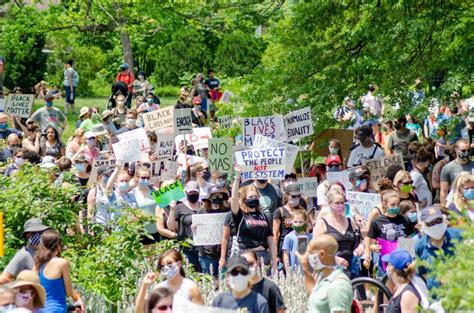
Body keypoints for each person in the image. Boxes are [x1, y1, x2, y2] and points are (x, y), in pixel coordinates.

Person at [231, 166, 277, 272]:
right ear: (244, 199)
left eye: (256, 197)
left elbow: (270, 240)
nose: (254, 199)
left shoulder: (263, 216)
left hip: (263, 256)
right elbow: (234, 198)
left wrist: (274, 261)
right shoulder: (240, 215)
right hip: (247, 256)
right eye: (251, 197)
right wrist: (237, 177)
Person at [296, 234, 353, 313]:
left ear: (322, 254)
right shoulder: (323, 277)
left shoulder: (338, 284)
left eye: (311, 253)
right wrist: (305, 268)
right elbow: (313, 294)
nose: (308, 256)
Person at [33, 230, 84, 312]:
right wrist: (78, 298)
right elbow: (69, 292)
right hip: (56, 309)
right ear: (58, 247)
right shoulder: (62, 263)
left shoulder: (37, 263)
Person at [364, 190, 415, 273]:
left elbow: (410, 240)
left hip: (403, 261)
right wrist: (375, 248)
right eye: (392, 205)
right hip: (385, 261)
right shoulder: (377, 222)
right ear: (384, 204)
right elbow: (371, 243)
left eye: (398, 204)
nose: (395, 207)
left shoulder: (405, 219)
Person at [314, 190, 363, 272]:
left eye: (342, 202)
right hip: (331, 268)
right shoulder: (322, 223)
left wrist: (361, 246)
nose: (340, 205)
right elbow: (315, 248)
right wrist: (334, 258)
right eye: (337, 203)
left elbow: (361, 238)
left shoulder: (350, 221)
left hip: (351, 267)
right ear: (329, 203)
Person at [415, 206, 462, 291]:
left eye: (438, 221)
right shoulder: (419, 246)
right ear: (423, 226)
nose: (436, 225)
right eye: (431, 223)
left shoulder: (459, 235)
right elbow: (421, 272)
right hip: (436, 298)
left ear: (444, 220)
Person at [0, 218, 49, 285]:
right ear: (27, 235)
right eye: (35, 233)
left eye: (41, 232)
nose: (39, 236)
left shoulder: (48, 251)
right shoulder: (24, 254)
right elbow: (3, 278)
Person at [167, 181, 202, 272]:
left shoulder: (204, 206)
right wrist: (172, 210)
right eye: (190, 192)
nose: (193, 194)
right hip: (187, 248)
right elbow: (171, 227)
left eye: (195, 192)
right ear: (186, 192)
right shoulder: (179, 207)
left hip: (203, 249)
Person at [196, 187, 230, 275]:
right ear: (209, 198)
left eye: (220, 196)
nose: (217, 198)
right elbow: (196, 232)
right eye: (215, 196)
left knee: (223, 281)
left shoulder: (226, 211)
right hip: (206, 254)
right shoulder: (202, 211)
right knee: (210, 280)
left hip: (222, 253)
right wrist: (194, 227)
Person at [273, 183, 305, 260]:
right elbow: (276, 233)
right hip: (285, 246)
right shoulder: (280, 211)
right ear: (287, 195)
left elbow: (307, 229)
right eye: (293, 196)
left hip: (300, 244)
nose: (296, 198)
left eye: (298, 196)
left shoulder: (302, 211)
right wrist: (275, 253)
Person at [440, 139, 474, 206]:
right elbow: (444, 191)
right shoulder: (448, 168)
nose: (466, 153)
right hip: (457, 204)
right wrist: (445, 209)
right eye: (463, 150)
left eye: (468, 150)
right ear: (456, 150)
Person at [131, 168, 160, 245]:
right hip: (140, 233)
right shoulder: (132, 194)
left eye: (148, 178)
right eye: (143, 178)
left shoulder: (155, 191)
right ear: (137, 178)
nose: (146, 180)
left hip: (156, 231)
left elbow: (165, 207)